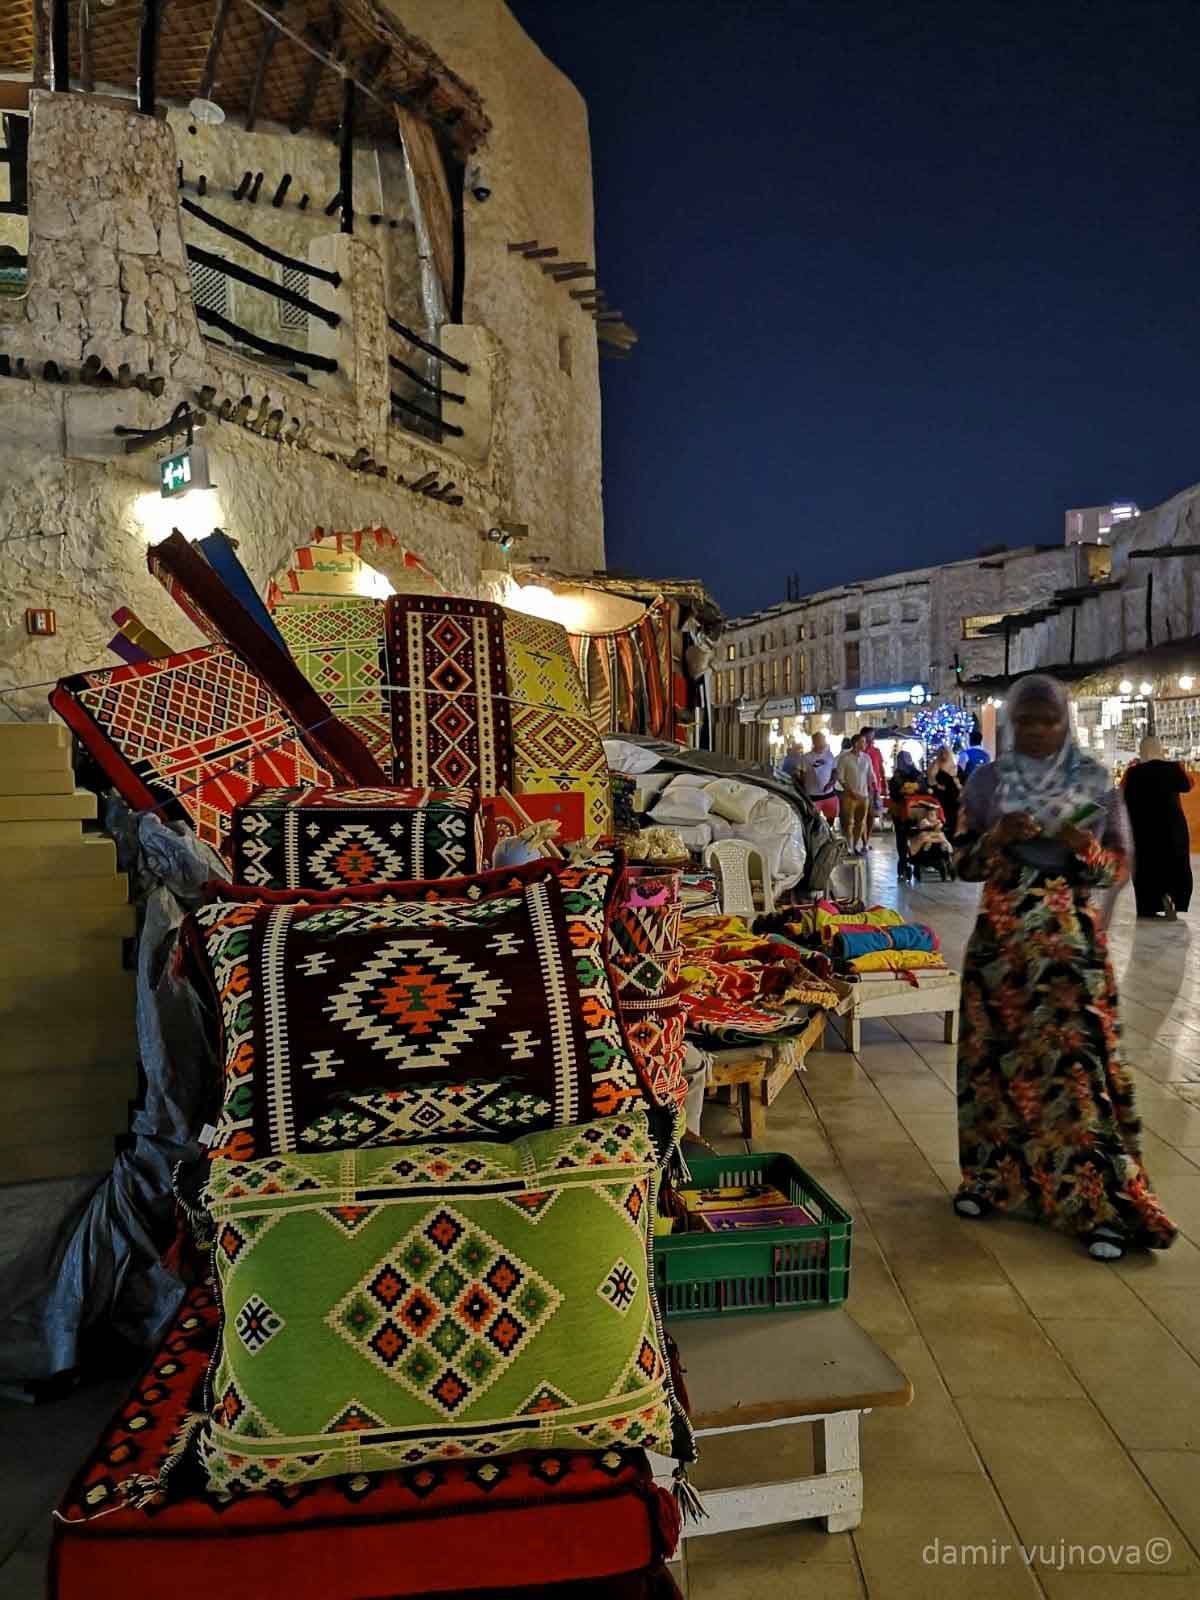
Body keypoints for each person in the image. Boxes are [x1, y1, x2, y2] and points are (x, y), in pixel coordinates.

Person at [953, 674, 1176, 1261]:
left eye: (1046, 720)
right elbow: (958, 861)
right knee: (993, 1064)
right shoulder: (987, 782)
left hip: (1067, 953)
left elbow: (1117, 870)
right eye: (1024, 720)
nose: (1034, 731)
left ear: (1065, 722)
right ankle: (991, 1180)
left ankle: (1095, 1202)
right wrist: (996, 837)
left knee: (1073, 1072)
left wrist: (1087, 851)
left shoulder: (1095, 783)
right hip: (999, 953)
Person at [1122, 736, 1193, 918]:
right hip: (1173, 827)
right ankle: (1174, 897)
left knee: (1147, 865)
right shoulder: (1173, 768)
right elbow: (1188, 785)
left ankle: (1149, 905)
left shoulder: (1133, 772)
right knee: (1176, 864)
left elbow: (1121, 795)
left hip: (1143, 829)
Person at [888, 749, 926, 879]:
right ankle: (905, 864)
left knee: (904, 838)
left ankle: (907, 864)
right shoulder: (904, 776)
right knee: (904, 837)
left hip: (911, 811)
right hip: (905, 811)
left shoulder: (901, 776)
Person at [836, 732, 874, 854]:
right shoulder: (845, 758)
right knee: (848, 823)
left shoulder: (867, 758)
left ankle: (855, 845)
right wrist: (849, 791)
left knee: (861, 822)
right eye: (863, 741)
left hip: (864, 795)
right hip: (849, 796)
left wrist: (873, 790)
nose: (865, 744)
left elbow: (870, 776)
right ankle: (849, 846)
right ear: (855, 743)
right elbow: (840, 778)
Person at [795, 731, 839, 824]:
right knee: (813, 820)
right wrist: (803, 789)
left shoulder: (829, 755)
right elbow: (800, 774)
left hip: (828, 793)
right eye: (819, 741)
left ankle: (829, 831)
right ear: (814, 742)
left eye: (823, 741)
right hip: (812, 795)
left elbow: (834, 771)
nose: (822, 743)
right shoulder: (806, 757)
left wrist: (832, 783)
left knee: (831, 817)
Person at [929, 746, 962, 839]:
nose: (944, 756)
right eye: (941, 753)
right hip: (941, 801)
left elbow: (962, 782)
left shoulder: (955, 768)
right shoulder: (934, 767)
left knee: (952, 823)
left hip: (954, 800)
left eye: (946, 753)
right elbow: (931, 782)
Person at [861, 727, 885, 838]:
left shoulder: (876, 751)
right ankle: (862, 839)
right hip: (862, 787)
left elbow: (880, 768)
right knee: (861, 815)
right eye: (870, 735)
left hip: (875, 788)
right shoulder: (860, 752)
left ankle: (866, 840)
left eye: (873, 735)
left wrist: (884, 783)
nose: (872, 738)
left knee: (871, 815)